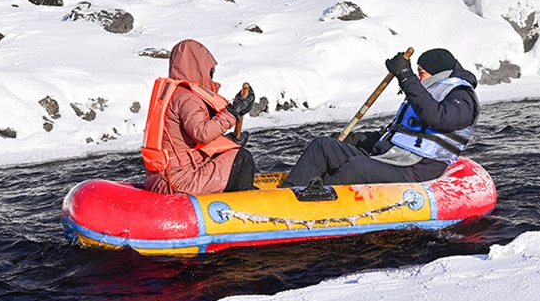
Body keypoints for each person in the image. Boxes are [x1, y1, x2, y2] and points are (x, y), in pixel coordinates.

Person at [281, 47, 479, 187]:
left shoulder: (462, 97)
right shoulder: (425, 94)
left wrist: (405, 76)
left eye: (421, 74)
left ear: (439, 74)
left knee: (359, 167)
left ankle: (315, 204)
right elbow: (396, 136)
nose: (419, 79)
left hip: (417, 169)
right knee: (323, 146)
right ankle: (288, 194)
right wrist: (357, 140)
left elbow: (439, 118)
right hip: (393, 159)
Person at [142, 39, 257, 194]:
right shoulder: (187, 98)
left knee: (230, 152)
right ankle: (245, 207)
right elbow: (201, 133)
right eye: (210, 71)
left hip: (161, 179)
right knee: (242, 158)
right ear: (199, 68)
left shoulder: (174, 94)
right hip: (178, 182)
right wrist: (234, 111)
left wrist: (230, 141)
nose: (211, 75)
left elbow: (189, 143)